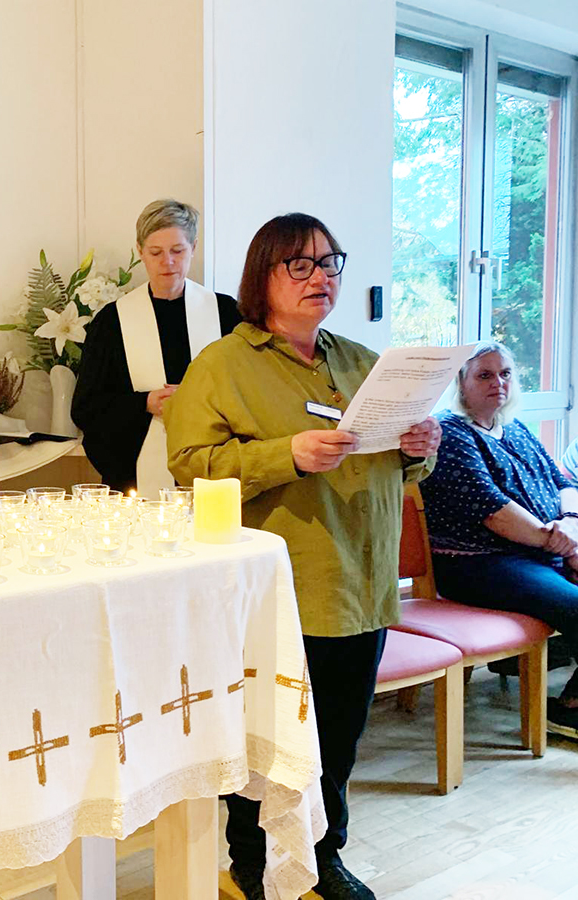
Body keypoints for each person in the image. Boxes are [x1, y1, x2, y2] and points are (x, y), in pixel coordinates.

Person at [166, 213, 440, 900]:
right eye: (302, 265)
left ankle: (324, 856)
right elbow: (189, 466)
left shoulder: (358, 361)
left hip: (363, 578)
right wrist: (284, 454)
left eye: (331, 263)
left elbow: (402, 472)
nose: (323, 277)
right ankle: (254, 862)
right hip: (282, 585)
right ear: (263, 277)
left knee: (340, 740)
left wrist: (419, 450)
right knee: (270, 740)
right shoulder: (223, 365)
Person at [419, 341, 578, 737]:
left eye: (505, 374)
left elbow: (562, 481)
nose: (498, 383)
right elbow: (492, 510)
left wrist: (572, 523)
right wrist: (560, 543)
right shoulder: (451, 434)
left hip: (542, 550)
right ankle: (568, 711)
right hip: (479, 562)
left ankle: (567, 695)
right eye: (485, 375)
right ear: (461, 382)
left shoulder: (515, 428)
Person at [71, 199, 241, 497]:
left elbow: (248, 390)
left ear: (194, 247)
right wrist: (146, 403)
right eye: (156, 252)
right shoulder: (112, 322)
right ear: (140, 251)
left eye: (178, 250)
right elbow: (87, 407)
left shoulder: (226, 313)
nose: (168, 262)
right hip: (135, 474)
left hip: (217, 469)